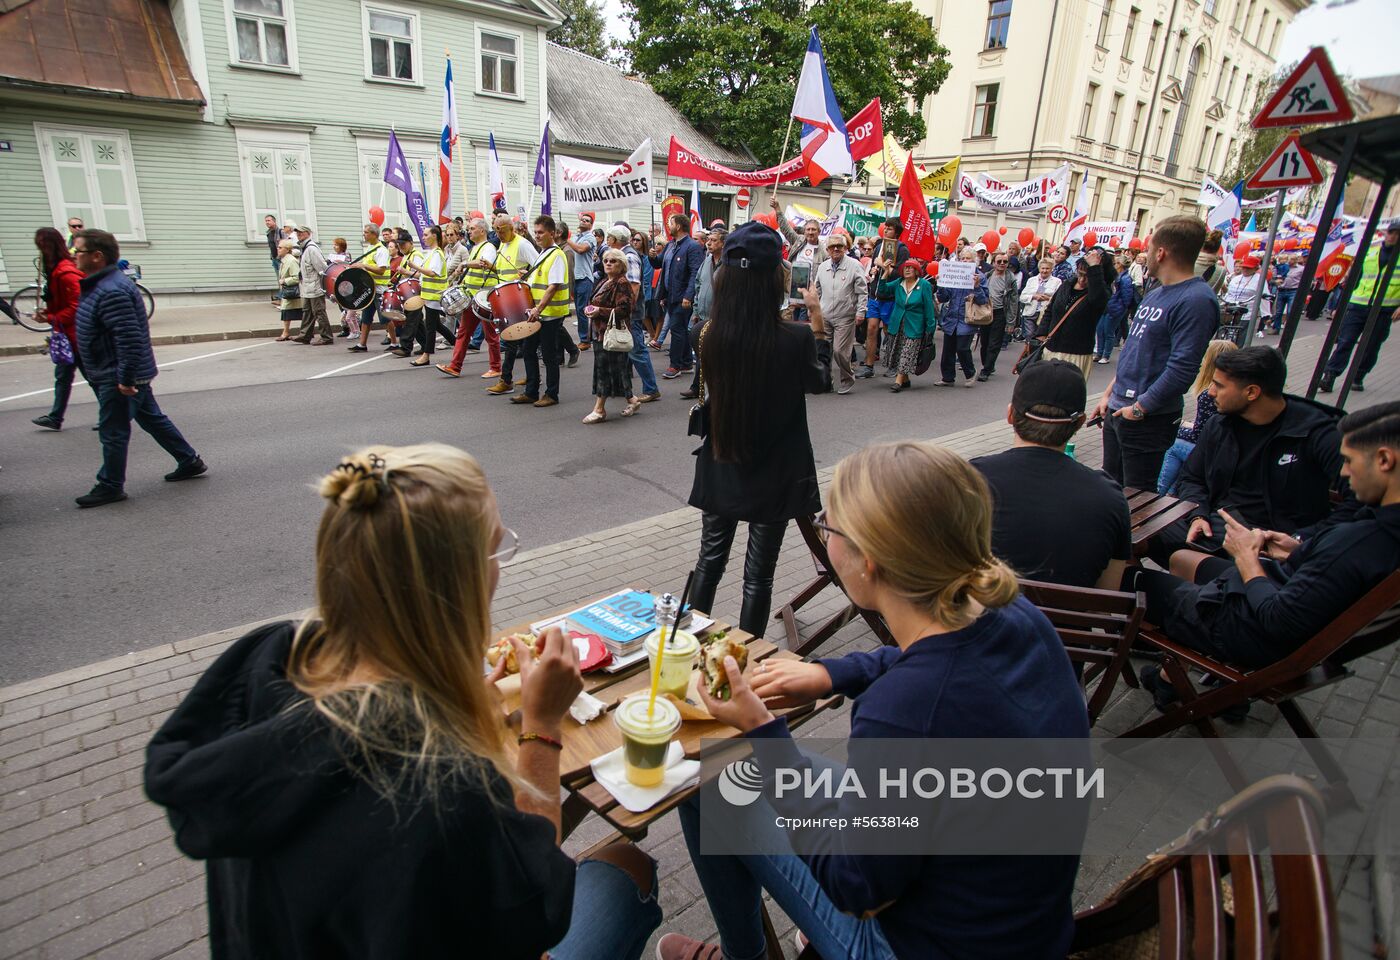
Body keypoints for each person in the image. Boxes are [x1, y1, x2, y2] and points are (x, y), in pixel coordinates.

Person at [145, 444, 663, 960]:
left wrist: (464, 705)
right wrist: (541, 723)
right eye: (499, 546)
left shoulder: (272, 656)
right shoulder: (436, 789)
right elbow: (537, 901)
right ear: (459, 585)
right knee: (627, 867)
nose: (502, 564)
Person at [656, 441, 1088, 960]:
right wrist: (828, 673)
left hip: (916, 941)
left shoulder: (904, 711)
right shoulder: (1011, 613)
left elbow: (857, 888)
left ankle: (742, 954)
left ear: (871, 563)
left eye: (828, 527)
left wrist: (764, 735)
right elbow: (925, 662)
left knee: (712, 774)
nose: (823, 536)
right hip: (1019, 920)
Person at [1134, 402, 1400, 693]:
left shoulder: (1359, 542)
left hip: (1244, 629)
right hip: (1274, 599)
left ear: (1385, 460)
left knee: (1125, 580)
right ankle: (1170, 682)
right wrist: (1295, 550)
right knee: (1183, 558)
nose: (1345, 473)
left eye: (1349, 460)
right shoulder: (1379, 532)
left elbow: (1278, 620)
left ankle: (1116, 651)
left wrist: (1247, 558)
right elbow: (1329, 576)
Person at [689, 222, 827, 638]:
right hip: (778, 468)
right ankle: (748, 654)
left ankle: (691, 643)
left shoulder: (707, 334)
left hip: (723, 457)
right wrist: (816, 317)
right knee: (758, 576)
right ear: (774, 280)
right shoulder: (796, 337)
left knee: (709, 562)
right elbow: (819, 382)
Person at [1156, 346, 1346, 561]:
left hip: (1274, 545)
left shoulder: (1317, 433)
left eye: (1218, 385)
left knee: (1188, 564)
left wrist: (1302, 540)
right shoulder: (1220, 423)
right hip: (1215, 528)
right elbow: (1192, 477)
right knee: (1123, 534)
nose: (1210, 392)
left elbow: (1359, 505)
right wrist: (1197, 514)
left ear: (1252, 392)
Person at [71, 229, 205, 508]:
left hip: (117, 373)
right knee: (151, 418)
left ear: (97, 256)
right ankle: (188, 460)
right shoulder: (104, 285)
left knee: (113, 430)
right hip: (118, 370)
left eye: (78, 251)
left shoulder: (111, 290)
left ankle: (110, 484)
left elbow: (128, 338)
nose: (74, 256)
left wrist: (126, 377)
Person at [973, 360, 1131, 590]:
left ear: (1010, 415)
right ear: (1079, 423)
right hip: (1067, 624)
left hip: (977, 622)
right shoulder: (1110, 497)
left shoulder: (968, 479)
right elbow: (1107, 593)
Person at [1093, 216, 1220, 491]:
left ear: (1160, 252)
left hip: (1146, 420)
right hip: (1119, 410)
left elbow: (1182, 368)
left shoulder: (1196, 300)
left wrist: (1140, 408)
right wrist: (1109, 395)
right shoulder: (1155, 293)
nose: (1145, 254)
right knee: (1111, 490)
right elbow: (1135, 352)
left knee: (1136, 500)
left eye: (1149, 248)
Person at [1320, 219, 1400, 394]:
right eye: (1392, 232)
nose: (1394, 236)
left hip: (1383, 311)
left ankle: (1358, 376)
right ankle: (1329, 375)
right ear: (1387, 232)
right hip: (1358, 306)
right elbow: (1352, 282)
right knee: (1345, 341)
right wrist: (1339, 306)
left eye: (1398, 234)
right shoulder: (1369, 253)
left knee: (1371, 346)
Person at [1157, 339, 1238, 494]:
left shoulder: (1209, 394)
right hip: (1226, 449)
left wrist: (1178, 430)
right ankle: (1171, 496)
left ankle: (1159, 492)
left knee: (1174, 446)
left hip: (1214, 454)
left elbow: (1199, 436)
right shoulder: (1234, 391)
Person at [509, 215, 570, 408]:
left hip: (549, 314)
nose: (537, 235)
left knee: (549, 355)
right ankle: (531, 391)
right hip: (537, 313)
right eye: (535, 232)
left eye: (541, 232)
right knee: (528, 350)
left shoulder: (556, 255)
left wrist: (538, 308)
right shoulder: (544, 253)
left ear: (553, 233)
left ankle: (552, 394)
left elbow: (553, 286)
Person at [30, 227, 85, 431]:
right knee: (63, 376)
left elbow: (77, 305)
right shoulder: (58, 271)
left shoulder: (66, 272)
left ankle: (112, 414)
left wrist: (51, 317)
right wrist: (49, 312)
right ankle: (56, 416)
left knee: (92, 378)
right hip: (67, 334)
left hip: (76, 335)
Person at [438, 217, 504, 380]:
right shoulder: (476, 247)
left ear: (482, 231)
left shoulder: (487, 247)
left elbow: (485, 263)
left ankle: (496, 367)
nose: (469, 231)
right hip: (474, 297)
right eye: (469, 228)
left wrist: (465, 264)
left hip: (484, 298)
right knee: (464, 332)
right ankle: (455, 366)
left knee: (490, 334)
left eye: (472, 228)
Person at [582, 249, 641, 424]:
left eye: (613, 261)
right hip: (600, 331)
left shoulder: (622, 283)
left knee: (604, 371)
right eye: (606, 260)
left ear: (622, 265)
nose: (608, 263)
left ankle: (599, 409)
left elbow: (625, 310)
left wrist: (600, 311)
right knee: (617, 369)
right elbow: (595, 303)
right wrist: (590, 309)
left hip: (610, 333)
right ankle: (632, 400)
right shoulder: (605, 281)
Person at [485, 213, 541, 397]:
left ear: (511, 228)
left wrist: (526, 275)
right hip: (505, 300)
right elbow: (503, 269)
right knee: (522, 342)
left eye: (501, 231)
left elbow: (538, 267)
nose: (498, 235)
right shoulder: (503, 244)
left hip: (519, 298)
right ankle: (531, 376)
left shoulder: (523, 244)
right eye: (495, 231)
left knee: (512, 341)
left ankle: (506, 380)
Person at [1035, 248, 1109, 378]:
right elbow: (1050, 310)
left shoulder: (1099, 292)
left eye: (1087, 276)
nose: (1081, 280)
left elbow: (1098, 301)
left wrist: (1095, 268)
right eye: (1080, 274)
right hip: (1052, 349)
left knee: (1067, 395)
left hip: (1076, 354)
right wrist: (1041, 333)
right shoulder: (1066, 285)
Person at [812, 233, 868, 395]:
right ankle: (825, 381)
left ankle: (847, 378)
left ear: (845, 248)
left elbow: (862, 291)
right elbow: (817, 289)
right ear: (827, 250)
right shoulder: (823, 267)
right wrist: (815, 310)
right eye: (832, 247)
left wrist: (861, 311)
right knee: (823, 351)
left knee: (839, 351)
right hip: (825, 315)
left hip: (845, 316)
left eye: (839, 246)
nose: (835, 249)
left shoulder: (854, 265)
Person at [397, 225, 453, 366]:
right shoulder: (432, 253)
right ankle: (459, 344)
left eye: (426, 235)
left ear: (434, 236)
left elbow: (432, 272)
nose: (423, 238)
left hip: (434, 296)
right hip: (429, 296)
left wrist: (414, 267)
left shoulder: (437, 254)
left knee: (430, 327)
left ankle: (426, 355)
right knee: (437, 326)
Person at [876, 259, 934, 393]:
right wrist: (885, 272)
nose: (907, 270)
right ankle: (905, 379)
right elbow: (883, 290)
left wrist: (930, 326)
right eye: (905, 268)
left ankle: (898, 381)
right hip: (898, 322)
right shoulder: (899, 283)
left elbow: (929, 307)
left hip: (915, 324)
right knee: (898, 351)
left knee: (908, 351)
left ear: (917, 271)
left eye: (911, 268)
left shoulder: (923, 284)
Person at [862, 219, 911, 378]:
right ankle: (869, 365)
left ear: (896, 232)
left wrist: (883, 266)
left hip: (890, 296)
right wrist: (875, 269)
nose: (886, 231)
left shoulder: (902, 250)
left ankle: (892, 363)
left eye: (890, 229)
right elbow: (875, 269)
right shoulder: (878, 247)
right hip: (875, 295)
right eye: (886, 228)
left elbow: (901, 273)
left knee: (890, 331)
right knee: (871, 329)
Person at [659, 213, 705, 380]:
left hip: (682, 297)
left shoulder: (692, 246)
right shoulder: (671, 245)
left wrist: (688, 295)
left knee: (677, 329)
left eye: (670, 223)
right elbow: (660, 263)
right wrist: (651, 255)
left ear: (678, 226)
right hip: (671, 295)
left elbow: (695, 272)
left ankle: (675, 365)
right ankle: (686, 363)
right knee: (680, 330)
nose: (667, 225)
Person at [935, 247, 989, 387]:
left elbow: (983, 301)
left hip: (968, 318)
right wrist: (940, 284)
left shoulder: (980, 277)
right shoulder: (954, 274)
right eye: (963, 258)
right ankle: (947, 377)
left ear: (974, 261)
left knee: (963, 348)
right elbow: (944, 297)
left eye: (968, 258)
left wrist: (976, 286)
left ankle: (970, 373)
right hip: (952, 317)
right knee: (948, 349)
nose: (965, 261)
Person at [682, 227, 725, 401]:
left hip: (720, 317)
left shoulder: (728, 264)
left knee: (713, 354)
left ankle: (714, 388)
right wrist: (696, 309)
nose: (709, 243)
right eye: (708, 239)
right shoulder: (707, 261)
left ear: (723, 243)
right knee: (702, 352)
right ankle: (697, 387)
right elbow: (698, 284)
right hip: (704, 315)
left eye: (714, 240)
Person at [348, 225, 392, 353]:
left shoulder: (381, 250)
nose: (364, 235)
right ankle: (362, 344)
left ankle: (394, 342)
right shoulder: (371, 247)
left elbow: (381, 269)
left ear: (374, 234)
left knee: (385, 318)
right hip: (370, 288)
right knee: (366, 318)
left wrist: (363, 266)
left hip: (380, 289)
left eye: (366, 233)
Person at [980, 249, 1020, 380]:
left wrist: (1011, 322)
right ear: (993, 263)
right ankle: (988, 365)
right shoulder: (987, 276)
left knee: (994, 343)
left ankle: (986, 370)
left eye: (1005, 262)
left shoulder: (1010, 279)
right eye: (999, 261)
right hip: (986, 312)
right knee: (984, 342)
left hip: (1000, 313)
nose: (1002, 264)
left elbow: (1014, 302)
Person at [290, 224, 332, 345]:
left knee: (319, 312)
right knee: (307, 311)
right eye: (298, 233)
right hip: (308, 286)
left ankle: (326, 336)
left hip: (315, 286)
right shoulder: (305, 248)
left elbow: (322, 268)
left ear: (308, 234)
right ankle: (305, 335)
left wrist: (322, 285)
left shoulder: (311, 249)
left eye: (301, 233)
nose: (299, 235)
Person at [1095, 252, 1137, 363]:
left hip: (1115, 308)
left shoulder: (1126, 279)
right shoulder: (1115, 276)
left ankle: (1106, 355)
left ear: (1120, 264)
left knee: (1108, 331)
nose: (1114, 265)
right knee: (1100, 329)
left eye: (1116, 263)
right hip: (1107, 306)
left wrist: (1119, 308)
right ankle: (1099, 353)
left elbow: (1126, 297)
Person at [566, 212, 598, 349]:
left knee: (582, 309)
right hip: (576, 278)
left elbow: (580, 250)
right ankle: (585, 338)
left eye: (587, 220)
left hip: (585, 277)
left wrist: (566, 239)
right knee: (580, 310)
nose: (584, 221)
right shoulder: (576, 237)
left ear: (591, 225)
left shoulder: (590, 237)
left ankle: (585, 340)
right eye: (583, 219)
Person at [1019, 258, 1062, 344]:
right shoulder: (1031, 280)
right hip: (1030, 313)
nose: (1045, 271)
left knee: (1041, 338)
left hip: (1044, 314)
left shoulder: (1057, 282)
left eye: (1047, 268)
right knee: (1030, 335)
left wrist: (1047, 298)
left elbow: (1058, 299)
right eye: (1043, 268)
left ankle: (1037, 354)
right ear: (1039, 269)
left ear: (1051, 269)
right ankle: (1029, 354)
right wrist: (1033, 296)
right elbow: (1022, 297)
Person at [274, 238, 302, 342]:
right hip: (288, 292)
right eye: (278, 247)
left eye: (280, 247)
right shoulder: (284, 260)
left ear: (287, 249)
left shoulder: (291, 261)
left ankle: (288, 332)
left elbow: (296, 277)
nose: (278, 249)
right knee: (286, 312)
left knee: (295, 312)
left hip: (293, 292)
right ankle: (286, 332)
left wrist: (284, 281)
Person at [1194, 228, 1229, 296]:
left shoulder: (1187, 262)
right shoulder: (1222, 271)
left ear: (1201, 246)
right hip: (1206, 305)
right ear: (1218, 248)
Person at [263, 214, 281, 300]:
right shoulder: (268, 233)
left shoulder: (280, 232)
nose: (267, 222)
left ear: (274, 221)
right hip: (274, 259)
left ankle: (283, 297)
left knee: (283, 278)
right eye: (266, 221)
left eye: (269, 220)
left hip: (280, 259)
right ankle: (281, 296)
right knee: (279, 278)